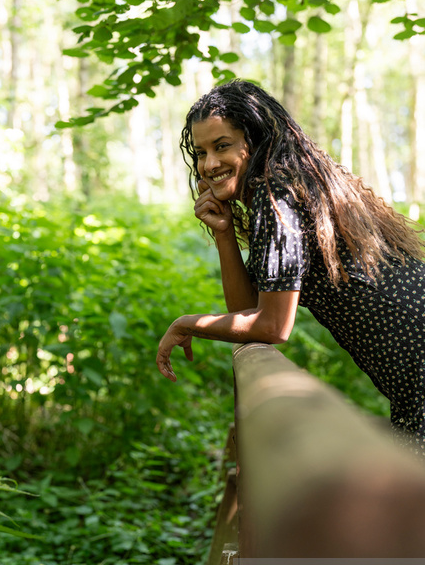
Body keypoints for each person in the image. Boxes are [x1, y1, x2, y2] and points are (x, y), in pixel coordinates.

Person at [156, 79, 425, 454]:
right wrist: (224, 234)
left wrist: (188, 324)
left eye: (222, 146)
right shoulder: (283, 189)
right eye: (200, 152)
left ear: (255, 141)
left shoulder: (277, 194)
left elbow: (272, 326)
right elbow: (248, 314)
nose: (210, 164)